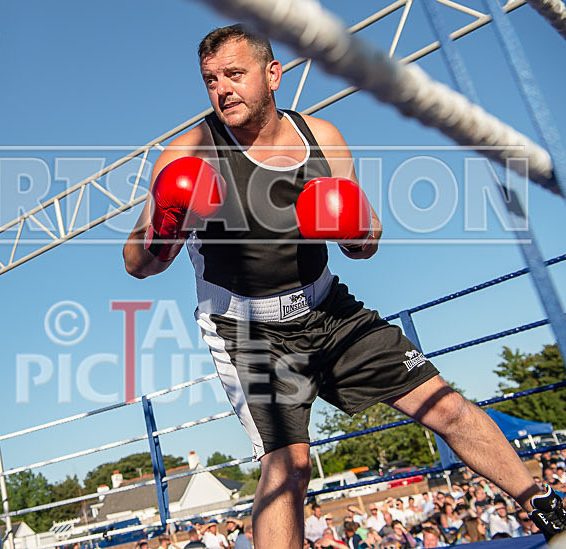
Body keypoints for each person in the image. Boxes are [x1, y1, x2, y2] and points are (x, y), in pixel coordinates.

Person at [122, 23, 566, 548]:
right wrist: (166, 227)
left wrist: (353, 227)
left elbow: (368, 237)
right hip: (245, 327)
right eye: (211, 79)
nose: (222, 89)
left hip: (327, 306)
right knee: (288, 465)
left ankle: (546, 506)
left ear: (273, 75)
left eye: (234, 74)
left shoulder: (320, 138)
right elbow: (136, 262)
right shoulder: (187, 153)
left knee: (444, 405)